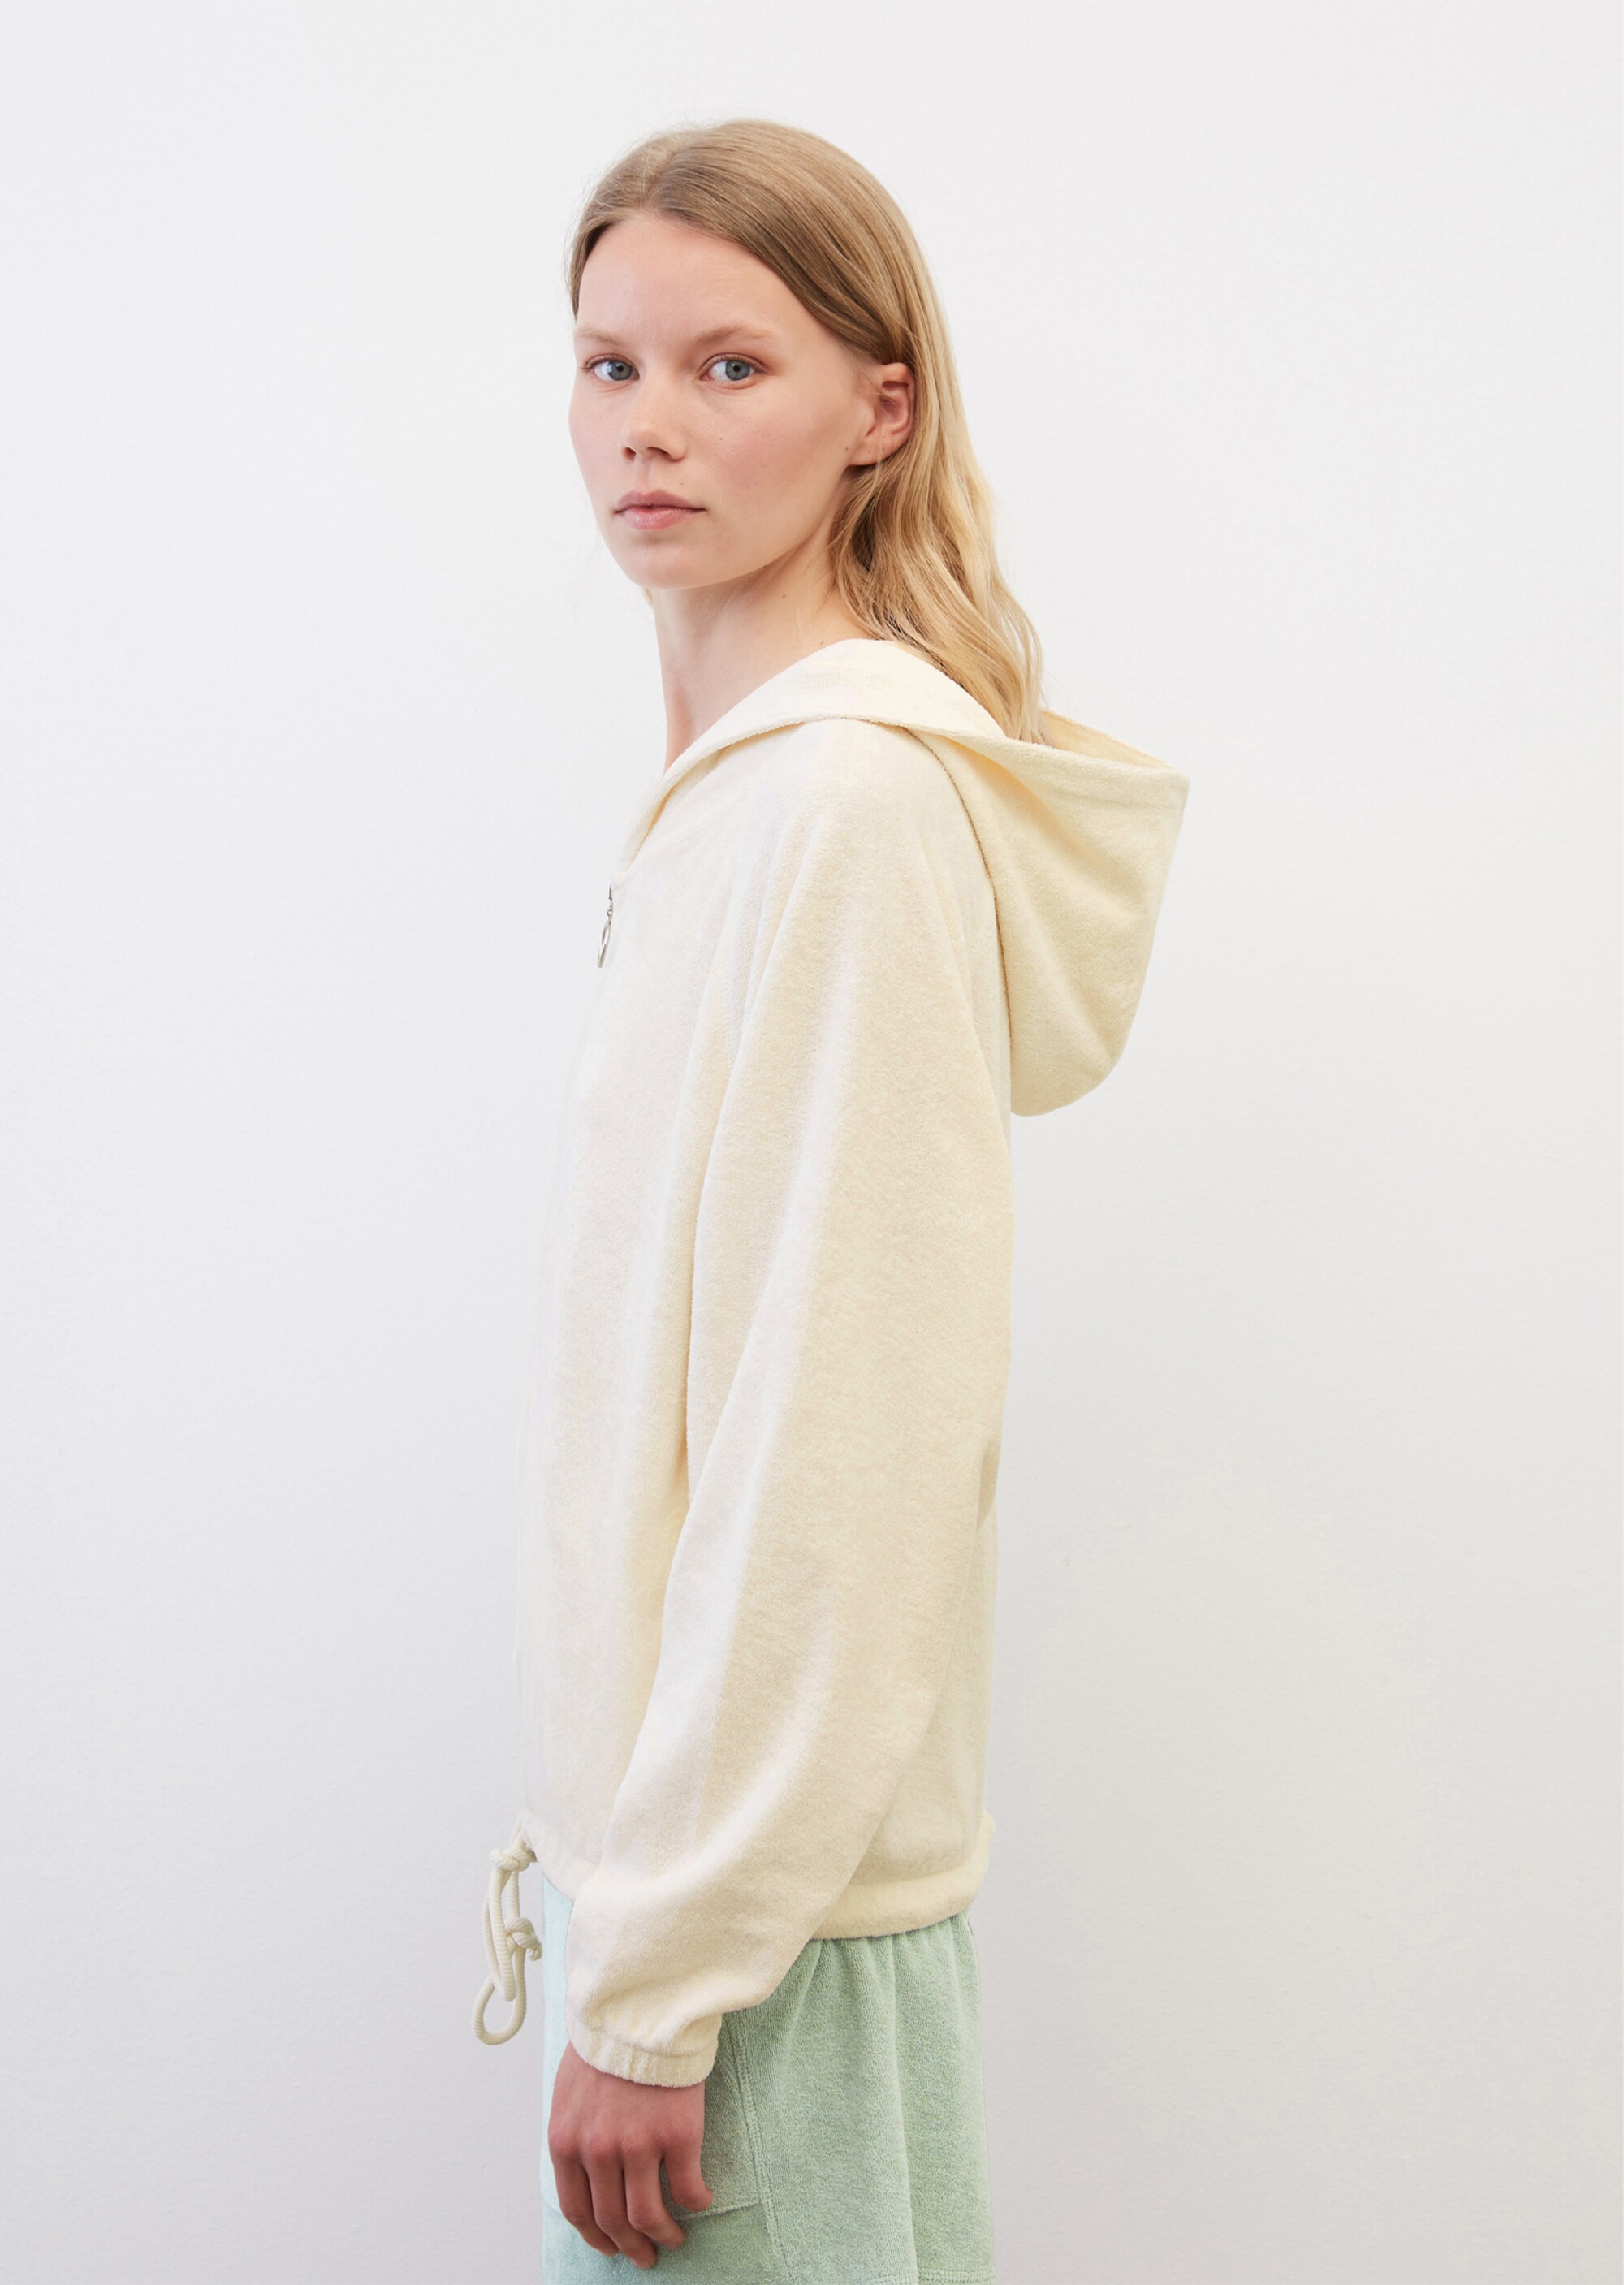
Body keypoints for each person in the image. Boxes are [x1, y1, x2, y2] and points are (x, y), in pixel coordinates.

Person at [473, 118, 1190, 2280]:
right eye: (608, 365)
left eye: (729, 367)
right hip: (701, 1920)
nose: (648, 428)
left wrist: (663, 1981)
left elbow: (838, 1439)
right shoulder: (736, 808)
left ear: (881, 409)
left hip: (756, 1966)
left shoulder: (850, 815)